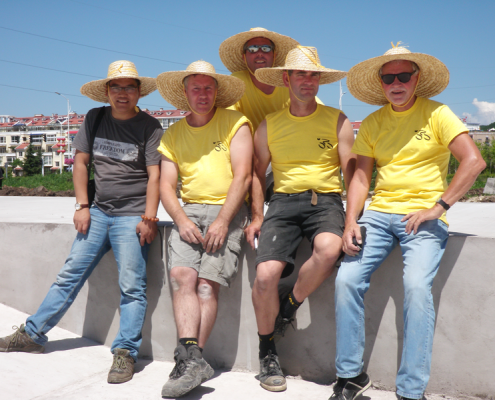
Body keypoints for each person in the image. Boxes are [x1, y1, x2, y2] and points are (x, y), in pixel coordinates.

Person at [332, 43, 486, 400]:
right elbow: (359, 179)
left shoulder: (438, 114)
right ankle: (351, 375)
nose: (396, 82)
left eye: (404, 75)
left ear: (417, 79)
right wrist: (350, 221)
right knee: (346, 280)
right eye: (389, 77)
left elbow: (474, 161)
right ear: (382, 83)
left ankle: (411, 391)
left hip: (424, 218)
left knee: (417, 288)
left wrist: (438, 208)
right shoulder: (372, 122)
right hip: (379, 215)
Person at [0, 60, 163, 384]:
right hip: (98, 212)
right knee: (69, 274)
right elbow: (81, 162)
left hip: (132, 216)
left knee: (132, 287)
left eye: (129, 87)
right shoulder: (95, 118)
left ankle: (125, 353)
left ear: (138, 92)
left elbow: (155, 174)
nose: (122, 93)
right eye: (116, 87)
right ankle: (33, 335)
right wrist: (82, 205)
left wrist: (149, 217)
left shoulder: (150, 126)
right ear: (107, 91)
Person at [246, 46, 355, 392]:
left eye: (313, 75)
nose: (308, 81)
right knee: (265, 276)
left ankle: (290, 303)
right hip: (282, 202)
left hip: (324, 201)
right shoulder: (270, 124)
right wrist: (256, 215)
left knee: (328, 249)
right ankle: (267, 353)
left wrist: (352, 219)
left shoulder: (337, 119)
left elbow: (352, 176)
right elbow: (255, 172)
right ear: (286, 79)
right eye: (300, 74)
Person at [156, 61, 253, 398]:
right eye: (195, 88)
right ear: (184, 94)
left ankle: (187, 360)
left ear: (217, 92)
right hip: (188, 212)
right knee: (182, 276)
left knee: (207, 288)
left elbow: (242, 175)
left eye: (208, 88)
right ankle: (192, 358)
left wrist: (224, 220)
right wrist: (181, 220)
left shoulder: (235, 123)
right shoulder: (173, 134)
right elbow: (167, 186)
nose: (202, 94)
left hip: (226, 210)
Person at [220, 27, 323, 200]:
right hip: (250, 156)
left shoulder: (289, 83)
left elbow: (319, 114)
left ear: (274, 55)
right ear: (244, 57)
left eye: (266, 49)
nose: (259, 53)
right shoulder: (237, 83)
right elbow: (230, 129)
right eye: (252, 49)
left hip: (286, 155)